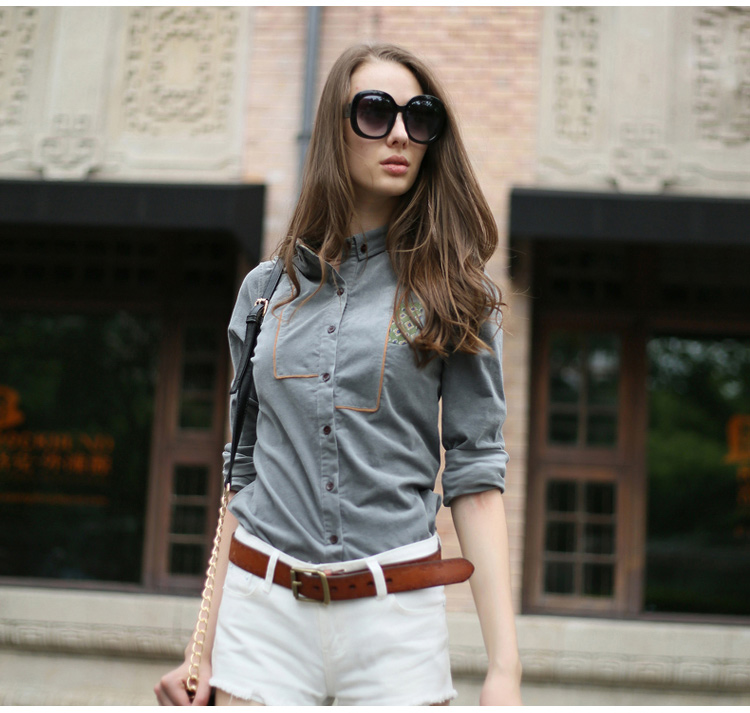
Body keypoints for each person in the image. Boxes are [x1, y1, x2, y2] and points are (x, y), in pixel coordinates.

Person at [155, 42, 522, 707]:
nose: (401, 134)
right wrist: (200, 649)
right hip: (261, 615)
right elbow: (243, 472)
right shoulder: (264, 293)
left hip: (396, 618)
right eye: (376, 112)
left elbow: (475, 476)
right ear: (334, 127)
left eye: (420, 116)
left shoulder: (457, 294)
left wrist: (504, 669)